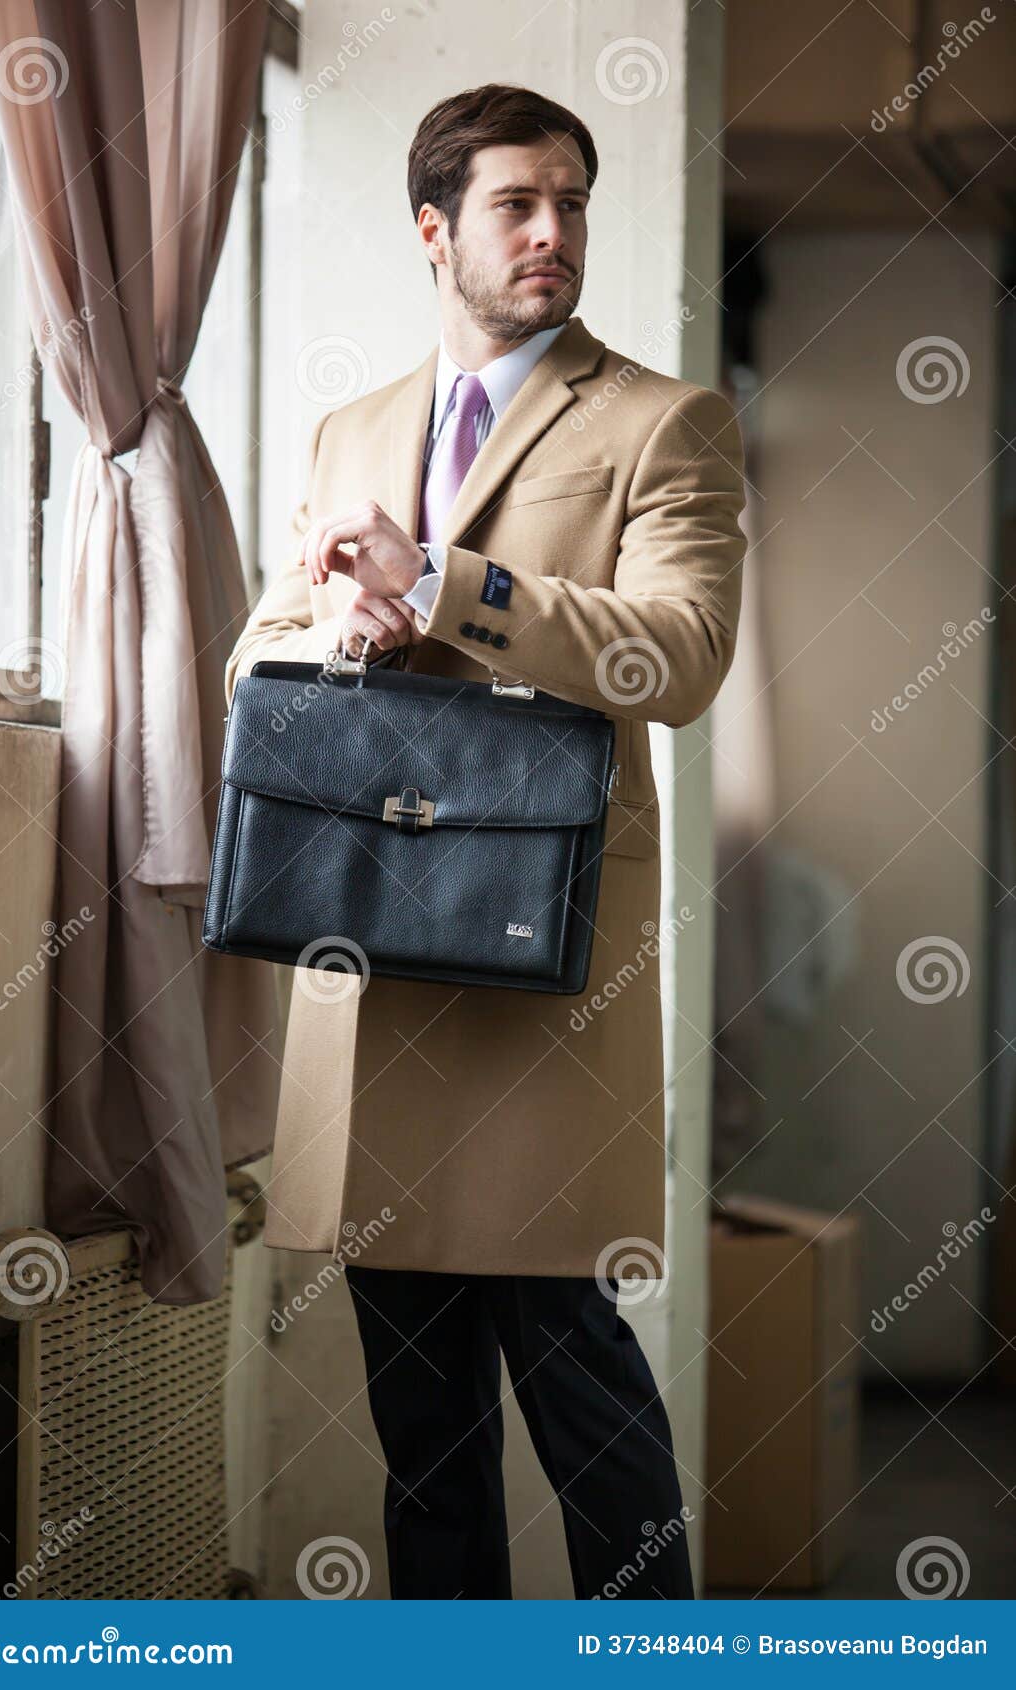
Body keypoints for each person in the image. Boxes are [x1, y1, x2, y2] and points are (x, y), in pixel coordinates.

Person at [225, 83, 747, 1600]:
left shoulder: (666, 420)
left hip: (543, 960)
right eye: (520, 203)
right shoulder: (353, 426)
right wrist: (330, 621)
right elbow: (255, 656)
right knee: (423, 1434)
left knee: (584, 1397)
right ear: (434, 230)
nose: (555, 232)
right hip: (369, 959)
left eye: (574, 202)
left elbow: (684, 655)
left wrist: (448, 582)